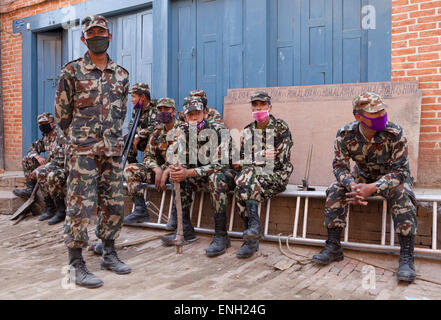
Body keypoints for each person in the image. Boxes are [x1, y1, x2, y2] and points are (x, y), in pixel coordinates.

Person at [55, 15, 131, 289]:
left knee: (114, 203)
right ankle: (75, 265)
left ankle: (109, 253)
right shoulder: (71, 72)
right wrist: (80, 138)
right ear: (83, 38)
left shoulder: (121, 74)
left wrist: (107, 135)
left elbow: (121, 112)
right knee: (80, 206)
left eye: (102, 32)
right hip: (83, 151)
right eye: (92, 32)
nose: (97, 36)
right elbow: (62, 115)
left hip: (111, 149)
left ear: (109, 37)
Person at [311, 92, 418, 283]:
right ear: (359, 117)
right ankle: (333, 246)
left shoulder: (394, 133)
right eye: (375, 113)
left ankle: (407, 257)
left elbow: (400, 172)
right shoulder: (345, 135)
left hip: (391, 177)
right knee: (336, 189)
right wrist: (352, 185)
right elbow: (339, 167)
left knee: (402, 194)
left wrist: (372, 188)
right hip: (362, 176)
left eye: (382, 110)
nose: (381, 115)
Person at [162, 98, 236, 257]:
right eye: (190, 115)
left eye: (198, 113)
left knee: (216, 177)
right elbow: (178, 157)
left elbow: (220, 165)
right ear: (184, 117)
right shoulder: (183, 131)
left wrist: (188, 173)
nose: (194, 118)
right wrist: (176, 168)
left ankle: (221, 235)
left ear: (205, 113)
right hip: (199, 175)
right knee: (176, 176)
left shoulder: (219, 130)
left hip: (224, 175)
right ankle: (185, 229)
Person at [233, 91, 293, 259]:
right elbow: (238, 160)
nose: (258, 108)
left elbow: (279, 161)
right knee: (244, 182)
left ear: (270, 107)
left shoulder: (280, 127)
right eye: (255, 105)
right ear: (251, 108)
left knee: (243, 181)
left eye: (262, 105)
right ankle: (253, 232)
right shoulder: (248, 131)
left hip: (276, 176)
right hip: (253, 178)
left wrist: (251, 161)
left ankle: (252, 236)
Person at [123, 97, 181, 229]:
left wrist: (166, 169)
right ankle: (140, 210)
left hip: (173, 171)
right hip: (158, 173)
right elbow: (148, 155)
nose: (162, 112)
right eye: (159, 109)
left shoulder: (182, 130)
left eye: (166, 109)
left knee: (178, 174)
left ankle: (175, 216)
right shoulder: (157, 131)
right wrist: (156, 168)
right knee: (130, 169)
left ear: (174, 112)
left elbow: (183, 157)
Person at [13, 112, 67, 224]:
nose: (42, 126)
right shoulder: (46, 137)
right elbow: (31, 149)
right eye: (40, 124)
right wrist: (37, 157)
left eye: (45, 123)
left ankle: (58, 209)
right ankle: (31, 190)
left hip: (64, 169)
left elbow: (61, 160)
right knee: (27, 160)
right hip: (51, 165)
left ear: (53, 123)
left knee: (43, 173)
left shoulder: (61, 136)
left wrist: (43, 166)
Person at [125, 83, 158, 164]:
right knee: (126, 138)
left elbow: (155, 126)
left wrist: (138, 135)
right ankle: (133, 166)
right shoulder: (137, 108)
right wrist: (137, 135)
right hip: (144, 139)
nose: (131, 100)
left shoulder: (156, 107)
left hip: (155, 141)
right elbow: (131, 125)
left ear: (143, 97)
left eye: (133, 96)